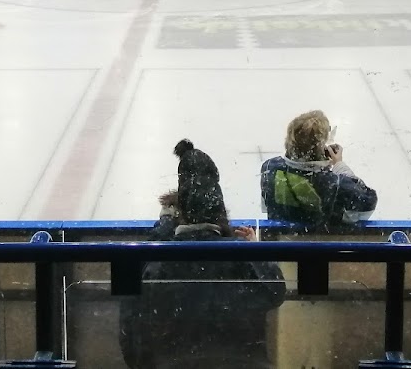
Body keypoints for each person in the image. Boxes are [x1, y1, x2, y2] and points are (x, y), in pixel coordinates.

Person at [119, 139, 286, 369]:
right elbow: (275, 292)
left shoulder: (155, 266)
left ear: (180, 209)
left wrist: (164, 228)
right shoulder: (241, 258)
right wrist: (254, 250)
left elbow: (130, 331)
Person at [260, 110, 378, 230]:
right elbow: (366, 205)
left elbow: (267, 206)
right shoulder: (338, 186)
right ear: (322, 148)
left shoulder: (270, 168)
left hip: (280, 243)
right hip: (323, 246)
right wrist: (339, 165)